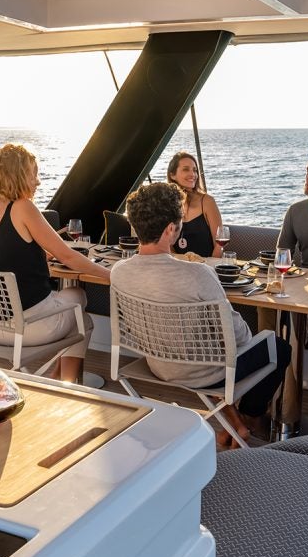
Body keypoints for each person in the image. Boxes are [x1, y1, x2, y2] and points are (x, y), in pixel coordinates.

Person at [111, 182, 291, 449]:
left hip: (158, 365)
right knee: (278, 346)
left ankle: (235, 424)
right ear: (171, 229)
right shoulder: (197, 274)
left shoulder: (119, 271)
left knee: (213, 349)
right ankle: (249, 419)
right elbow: (238, 336)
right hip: (205, 374)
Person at [0, 143, 109, 383]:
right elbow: (68, 256)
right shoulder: (23, 207)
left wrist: (39, 255)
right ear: (18, 174)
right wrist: (110, 275)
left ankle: (60, 380)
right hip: (28, 327)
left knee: (81, 321)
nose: (37, 181)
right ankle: (67, 388)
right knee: (78, 297)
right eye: (33, 174)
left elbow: (8, 255)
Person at [166, 151, 223, 257]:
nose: (193, 174)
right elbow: (167, 247)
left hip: (207, 267)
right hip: (178, 268)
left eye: (195, 170)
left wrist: (209, 268)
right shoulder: (167, 205)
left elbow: (219, 245)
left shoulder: (207, 202)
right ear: (172, 175)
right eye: (186, 169)